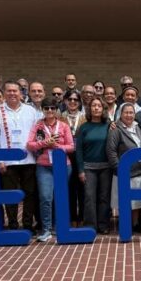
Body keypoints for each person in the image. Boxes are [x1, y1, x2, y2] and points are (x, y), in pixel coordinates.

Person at [0, 81, 41, 234]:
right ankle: (12, 225)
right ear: (4, 93)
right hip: (7, 161)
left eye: (15, 91)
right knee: (9, 194)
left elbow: (37, 134)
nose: (12, 93)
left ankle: (27, 225)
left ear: (21, 93)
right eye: (9, 91)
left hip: (28, 159)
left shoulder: (30, 111)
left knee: (29, 194)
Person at [27, 96, 75, 242]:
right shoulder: (38, 126)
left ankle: (60, 226)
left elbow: (71, 147)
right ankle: (46, 229)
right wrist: (45, 143)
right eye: (46, 108)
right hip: (44, 166)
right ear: (42, 110)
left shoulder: (63, 126)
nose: (49, 110)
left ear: (56, 110)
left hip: (63, 166)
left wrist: (57, 146)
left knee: (61, 197)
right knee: (45, 197)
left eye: (52, 108)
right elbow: (29, 144)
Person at [107, 103, 141, 234]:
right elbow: (111, 151)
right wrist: (119, 168)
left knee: (137, 202)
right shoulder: (116, 129)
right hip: (124, 172)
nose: (129, 115)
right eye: (126, 112)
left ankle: (135, 223)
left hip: (139, 171)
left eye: (131, 112)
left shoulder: (137, 127)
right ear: (120, 114)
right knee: (125, 200)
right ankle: (126, 224)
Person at [76, 96, 112, 234]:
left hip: (106, 167)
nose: (96, 108)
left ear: (103, 109)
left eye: (99, 105)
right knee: (89, 197)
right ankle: (90, 225)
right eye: (93, 105)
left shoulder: (109, 126)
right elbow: (79, 150)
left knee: (104, 197)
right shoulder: (83, 127)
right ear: (89, 109)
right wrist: (81, 170)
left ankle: (103, 225)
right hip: (88, 168)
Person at [61, 89, 87, 227]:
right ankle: (72, 217)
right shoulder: (59, 117)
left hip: (82, 156)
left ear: (79, 102)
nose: (72, 102)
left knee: (82, 188)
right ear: (65, 101)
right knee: (69, 189)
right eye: (70, 99)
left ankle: (82, 216)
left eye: (75, 100)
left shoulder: (85, 117)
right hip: (66, 156)